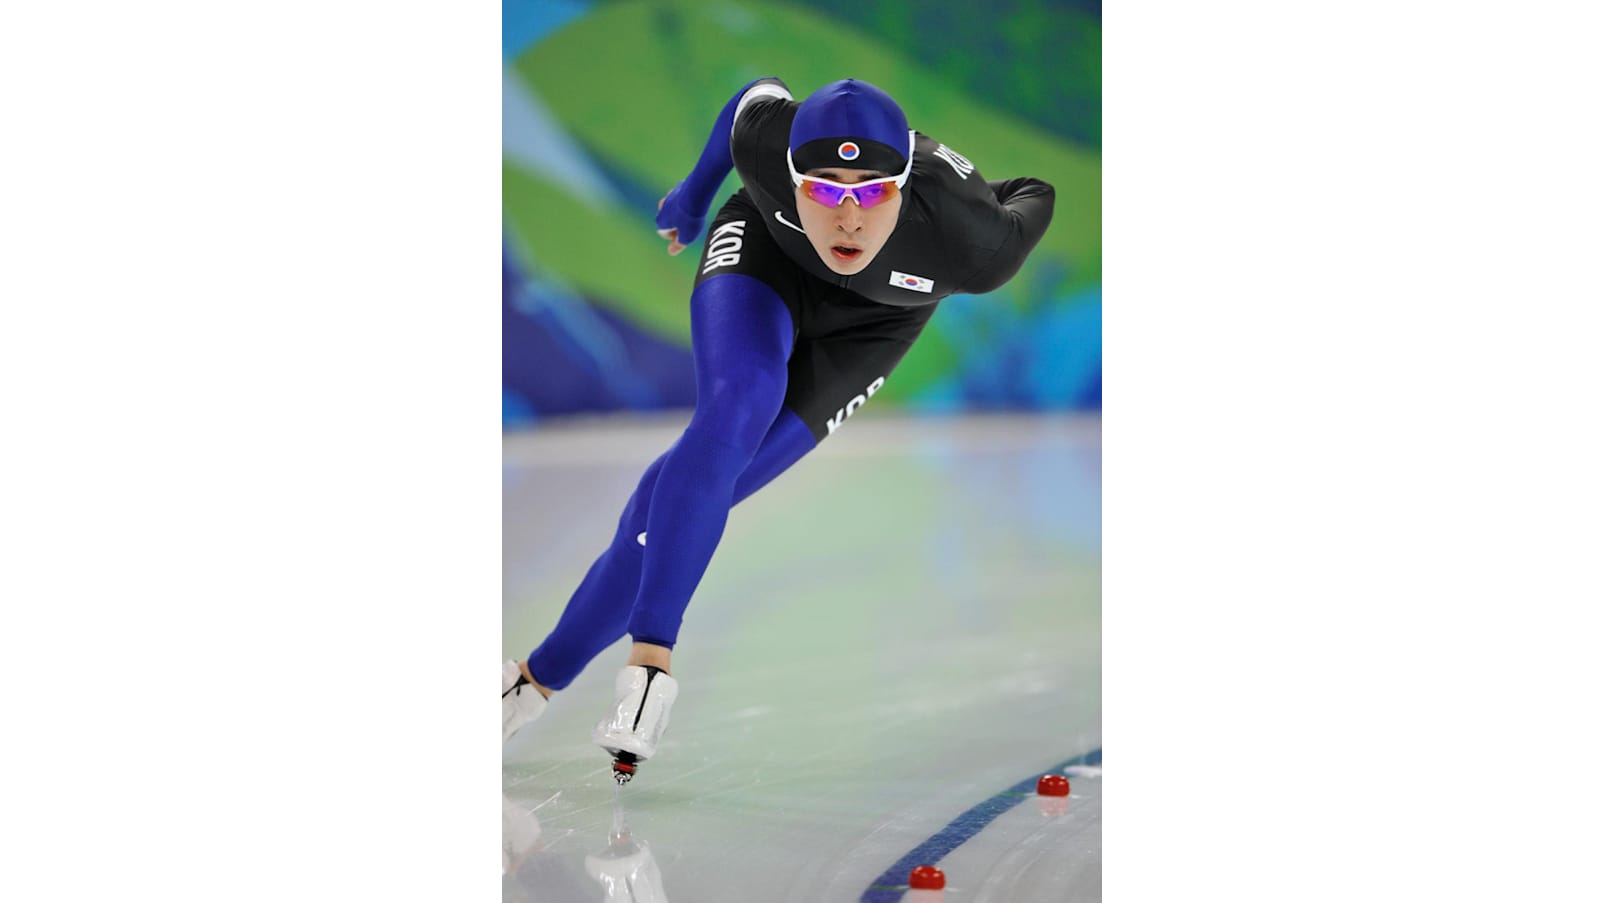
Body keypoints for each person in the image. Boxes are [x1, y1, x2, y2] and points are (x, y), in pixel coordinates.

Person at [503, 77, 1056, 783]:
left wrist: (964, 185)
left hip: (872, 327)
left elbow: (1036, 189)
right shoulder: (767, 141)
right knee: (737, 404)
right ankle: (650, 667)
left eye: (872, 192)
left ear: (904, 186)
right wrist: (693, 196)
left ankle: (528, 684)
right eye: (823, 189)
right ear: (791, 176)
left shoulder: (977, 244)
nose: (848, 218)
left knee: (677, 504)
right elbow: (749, 100)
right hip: (766, 259)